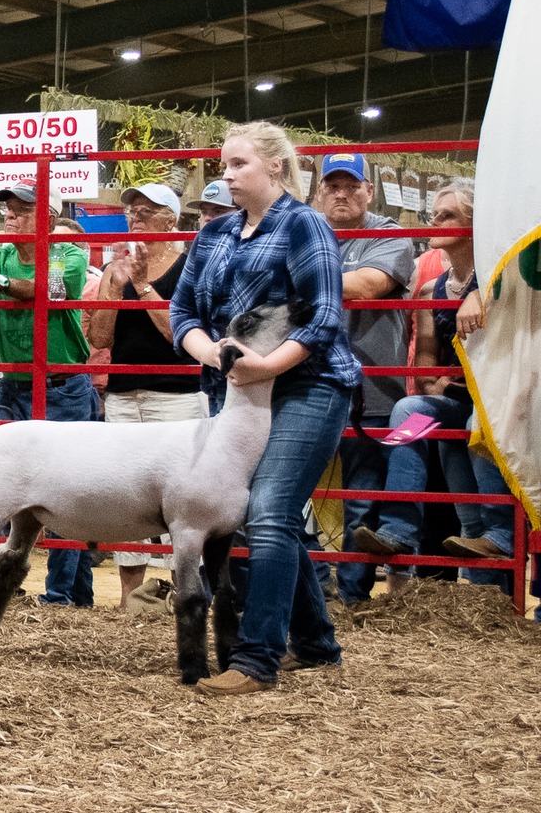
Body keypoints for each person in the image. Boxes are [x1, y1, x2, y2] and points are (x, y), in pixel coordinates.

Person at [170, 120, 354, 696]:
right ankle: (318, 644)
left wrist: (264, 367)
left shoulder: (306, 226)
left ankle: (256, 660)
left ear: (276, 166)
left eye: (238, 165)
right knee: (264, 513)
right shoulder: (215, 234)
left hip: (308, 384)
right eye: (224, 165)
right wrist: (216, 355)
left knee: (270, 510)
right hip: (239, 390)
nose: (225, 175)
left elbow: (324, 318)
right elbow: (183, 312)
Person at [0, 183, 97, 606]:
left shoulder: (67, 253)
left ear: (46, 218)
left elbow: (51, 289)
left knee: (68, 489)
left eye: (21, 210)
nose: (10, 216)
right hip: (16, 383)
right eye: (8, 210)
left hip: (60, 384)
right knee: (5, 484)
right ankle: (53, 592)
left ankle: (61, 595)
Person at [357, 182, 516, 576]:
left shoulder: (503, 281)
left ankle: (502, 534)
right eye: (435, 213)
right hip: (456, 400)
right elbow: (425, 363)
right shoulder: (431, 289)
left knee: (476, 430)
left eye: (447, 215)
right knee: (409, 407)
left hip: (497, 401)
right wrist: (437, 384)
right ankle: (398, 529)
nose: (435, 220)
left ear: (473, 225)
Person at [294, 153, 415, 601]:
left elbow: (368, 287)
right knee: (288, 492)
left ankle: (352, 597)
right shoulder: (307, 229)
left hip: (372, 387)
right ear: (319, 191)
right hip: (308, 382)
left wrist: (300, 274)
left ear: (369, 191)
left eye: (351, 185)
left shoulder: (390, 235)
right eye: (332, 185)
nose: (341, 193)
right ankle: (314, 587)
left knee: (360, 496)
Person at [86, 182, 206, 606]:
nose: (135, 217)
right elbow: (99, 338)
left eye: (146, 210)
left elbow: (181, 335)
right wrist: (116, 289)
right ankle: (130, 597)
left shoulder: (189, 266)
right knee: (124, 493)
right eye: (132, 211)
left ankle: (184, 593)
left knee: (183, 494)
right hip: (122, 393)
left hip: (176, 393)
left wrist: (143, 287)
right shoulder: (112, 271)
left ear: (170, 218)